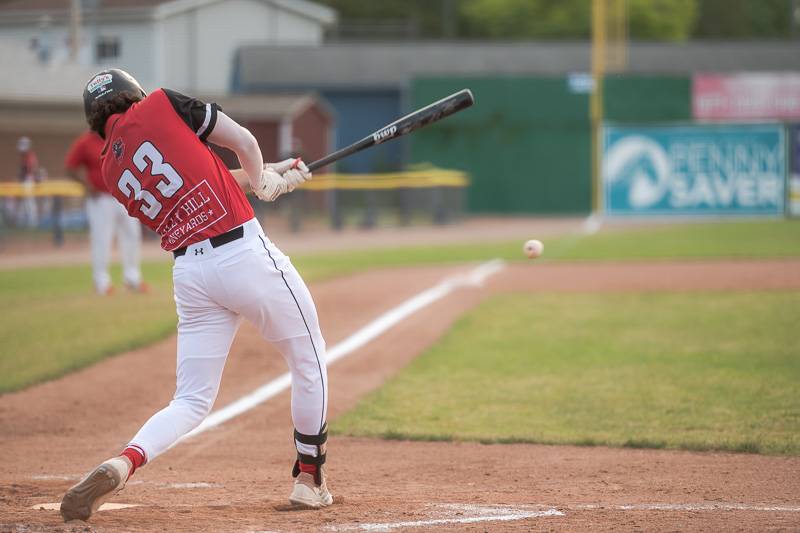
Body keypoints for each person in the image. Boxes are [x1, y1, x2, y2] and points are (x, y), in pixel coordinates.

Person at [60, 69, 331, 521]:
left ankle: (122, 462)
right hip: (243, 253)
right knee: (309, 356)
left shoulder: (110, 166)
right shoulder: (160, 102)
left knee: (190, 401)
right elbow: (243, 139)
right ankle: (309, 480)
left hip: (191, 274)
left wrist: (269, 174)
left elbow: (201, 177)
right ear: (133, 93)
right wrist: (263, 180)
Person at [65, 129, 147, 294]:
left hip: (124, 196)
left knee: (132, 235)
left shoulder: (118, 137)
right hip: (100, 198)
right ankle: (101, 282)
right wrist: (87, 186)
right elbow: (70, 168)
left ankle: (132, 278)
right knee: (102, 238)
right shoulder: (86, 141)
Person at [17, 136, 40, 227]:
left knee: (29, 201)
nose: (22, 151)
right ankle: (23, 222)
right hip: (26, 180)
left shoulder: (30, 156)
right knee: (24, 202)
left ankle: (33, 222)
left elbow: (31, 170)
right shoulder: (24, 157)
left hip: (29, 180)